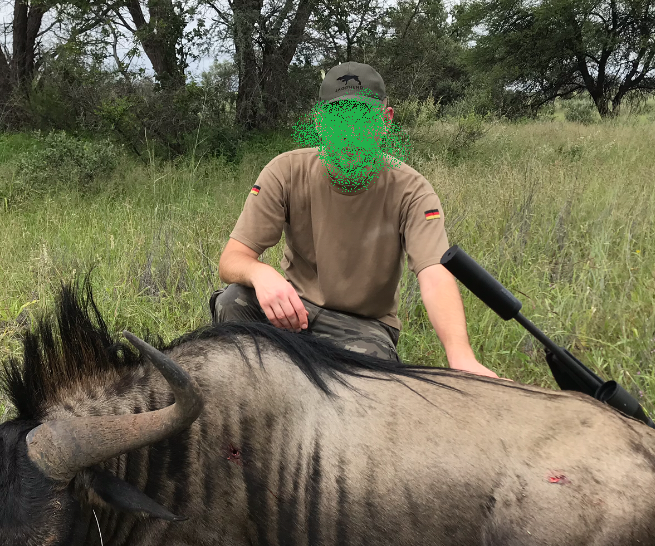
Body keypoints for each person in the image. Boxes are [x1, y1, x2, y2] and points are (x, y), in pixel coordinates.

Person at [211, 62, 498, 377]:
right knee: (233, 301)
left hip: (363, 325)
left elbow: (434, 274)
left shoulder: (412, 190)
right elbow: (232, 259)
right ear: (321, 123)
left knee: (369, 386)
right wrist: (261, 273)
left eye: (362, 119)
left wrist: (460, 355)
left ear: (385, 121)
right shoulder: (286, 171)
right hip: (295, 308)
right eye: (338, 118)